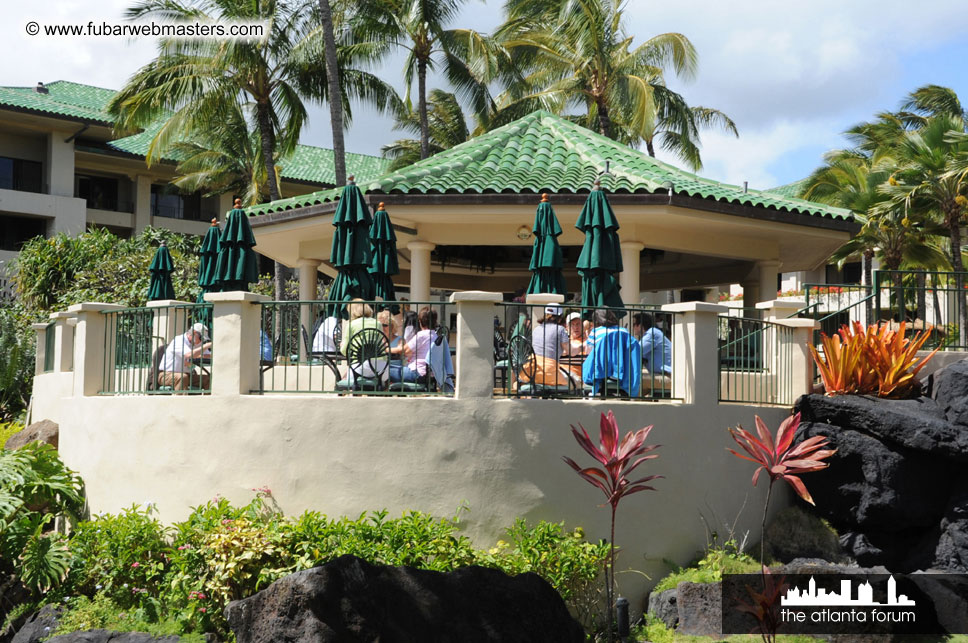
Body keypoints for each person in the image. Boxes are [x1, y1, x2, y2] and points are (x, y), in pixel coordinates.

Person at [582, 310, 641, 397]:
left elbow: (588, 352)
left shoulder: (596, 331)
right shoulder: (624, 331)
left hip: (601, 371)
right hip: (622, 371)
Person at [341, 299, 387, 384]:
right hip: (380, 368)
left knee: (347, 379)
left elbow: (345, 351)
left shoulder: (351, 325)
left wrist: (342, 346)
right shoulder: (378, 324)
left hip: (359, 368)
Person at [525, 305, 572, 388]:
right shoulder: (560, 329)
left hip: (531, 371)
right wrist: (581, 347)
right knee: (574, 382)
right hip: (549, 374)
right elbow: (569, 351)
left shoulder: (536, 329)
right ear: (560, 318)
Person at [158, 322, 212, 390]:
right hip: (167, 375)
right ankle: (180, 399)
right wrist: (206, 346)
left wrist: (203, 354)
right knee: (182, 377)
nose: (202, 341)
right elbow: (189, 355)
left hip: (188, 375)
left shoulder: (197, 342)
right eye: (201, 338)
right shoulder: (178, 340)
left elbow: (209, 355)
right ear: (194, 333)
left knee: (208, 379)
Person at [391, 306, 437, 383]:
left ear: (420, 321)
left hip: (417, 373)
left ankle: (380, 393)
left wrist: (385, 349)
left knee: (385, 370)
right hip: (430, 374)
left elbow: (404, 350)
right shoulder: (435, 335)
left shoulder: (421, 335)